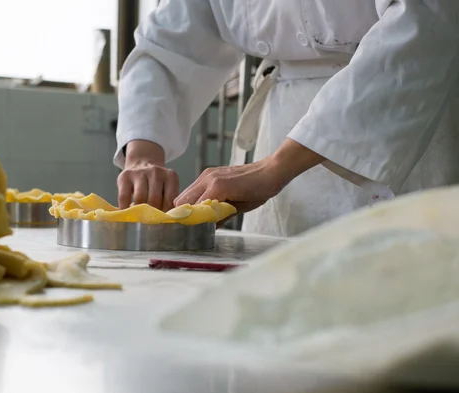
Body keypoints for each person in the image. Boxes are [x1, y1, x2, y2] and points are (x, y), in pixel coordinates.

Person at [113, 1, 459, 237]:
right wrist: (142, 154)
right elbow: (167, 46)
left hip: (407, 119)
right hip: (282, 125)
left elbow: (424, 21)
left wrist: (276, 168)